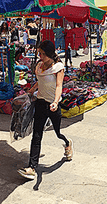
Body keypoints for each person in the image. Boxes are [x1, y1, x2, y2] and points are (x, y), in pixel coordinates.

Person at [18, 40, 73, 180]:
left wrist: (55, 102)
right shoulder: (39, 66)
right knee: (37, 135)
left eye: (42, 54)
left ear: (49, 54)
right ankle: (32, 167)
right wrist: (32, 90)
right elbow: (40, 80)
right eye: (39, 53)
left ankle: (67, 143)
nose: (40, 56)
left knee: (57, 132)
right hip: (41, 103)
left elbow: (59, 86)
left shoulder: (58, 67)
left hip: (53, 105)